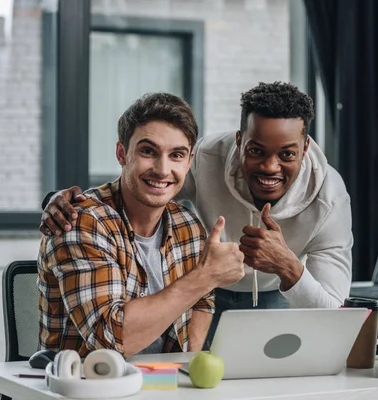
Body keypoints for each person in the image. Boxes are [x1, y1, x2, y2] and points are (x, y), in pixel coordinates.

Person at [39, 82, 353, 346]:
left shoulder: (329, 200)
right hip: (205, 286)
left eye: (286, 154)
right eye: (256, 150)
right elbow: (146, 186)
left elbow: (334, 313)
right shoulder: (205, 158)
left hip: (277, 294)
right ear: (239, 140)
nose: (270, 166)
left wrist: (288, 265)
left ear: (305, 147)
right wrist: (62, 200)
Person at [37, 93, 245, 358]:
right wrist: (206, 276)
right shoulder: (82, 222)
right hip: (87, 387)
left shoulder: (188, 225)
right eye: (148, 151)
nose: (162, 169)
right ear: (122, 153)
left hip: (162, 384)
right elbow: (109, 342)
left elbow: (201, 304)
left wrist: (190, 371)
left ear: (189, 161)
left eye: (176, 155)